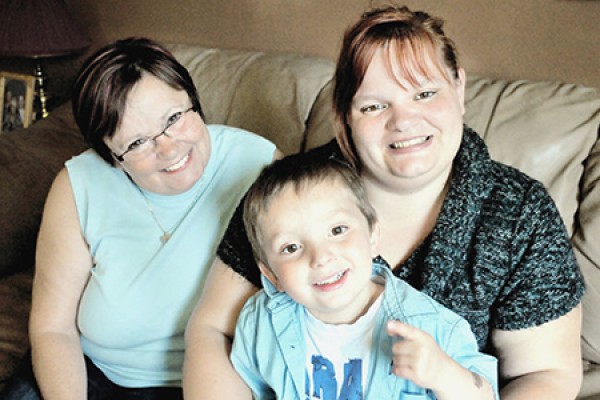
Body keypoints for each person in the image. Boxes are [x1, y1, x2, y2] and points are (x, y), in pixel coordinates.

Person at [183, 5, 585, 399]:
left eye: (425, 93)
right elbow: (213, 329)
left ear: (459, 89)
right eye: (374, 105)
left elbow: (546, 374)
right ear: (344, 115)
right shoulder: (287, 195)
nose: (404, 121)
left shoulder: (519, 213)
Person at [0, 37, 277, 399]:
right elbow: (53, 329)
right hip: (88, 375)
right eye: (136, 143)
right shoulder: (78, 185)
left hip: (209, 385)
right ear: (111, 155)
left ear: (195, 102)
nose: (169, 148)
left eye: (175, 118)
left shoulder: (261, 165)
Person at [232, 154, 498, 399]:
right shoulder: (260, 323)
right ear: (270, 274)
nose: (321, 257)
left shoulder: (431, 326)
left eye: (337, 230)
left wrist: (445, 374)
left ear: (372, 235)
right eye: (291, 248)